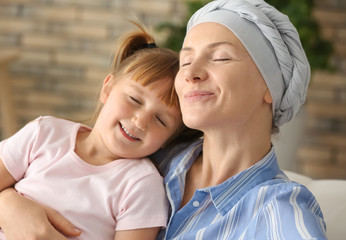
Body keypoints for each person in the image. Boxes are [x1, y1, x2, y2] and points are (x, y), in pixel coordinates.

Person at [0, 0, 328, 239]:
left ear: (269, 87)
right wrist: (12, 206)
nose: (191, 75)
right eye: (186, 61)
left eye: (220, 57)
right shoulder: (158, 156)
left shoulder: (279, 209)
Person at [0, 22, 186, 240]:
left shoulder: (142, 185)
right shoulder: (44, 133)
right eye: (135, 99)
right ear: (107, 88)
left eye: (161, 120)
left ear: (168, 139)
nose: (140, 121)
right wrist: (9, 203)